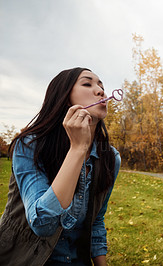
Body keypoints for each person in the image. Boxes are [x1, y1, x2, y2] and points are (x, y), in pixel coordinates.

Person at [0, 67, 121, 265]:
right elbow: (43, 224)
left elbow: (96, 222)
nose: (101, 91)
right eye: (87, 83)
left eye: (101, 85)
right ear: (64, 97)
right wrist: (77, 149)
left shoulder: (110, 158)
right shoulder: (30, 146)